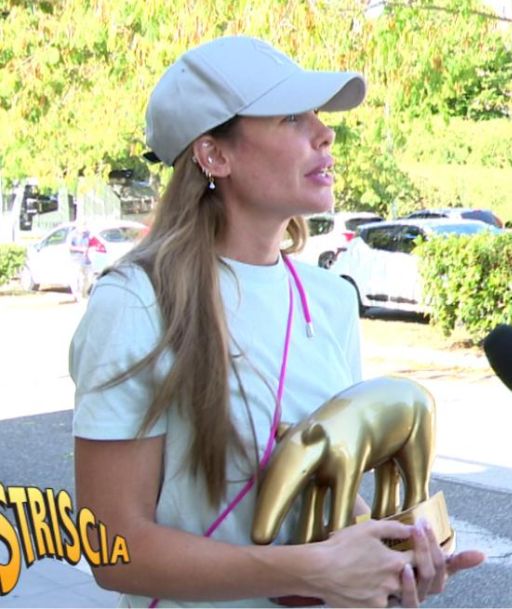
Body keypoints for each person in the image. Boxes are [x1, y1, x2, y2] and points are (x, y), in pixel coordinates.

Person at [69, 36, 483, 608]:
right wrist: (308, 570)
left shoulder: (331, 299)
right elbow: (113, 547)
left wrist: (386, 561)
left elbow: (326, 506)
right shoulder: (137, 304)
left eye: (317, 115)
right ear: (215, 155)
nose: (325, 132)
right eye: (292, 116)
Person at [67, 221, 93, 302]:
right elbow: (69, 246)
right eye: (83, 225)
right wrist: (80, 249)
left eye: (85, 225)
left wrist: (91, 249)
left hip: (87, 260)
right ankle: (78, 296)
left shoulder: (88, 234)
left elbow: (92, 243)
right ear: (78, 226)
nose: (85, 228)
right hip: (76, 260)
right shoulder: (72, 235)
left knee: (89, 278)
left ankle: (85, 294)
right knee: (79, 278)